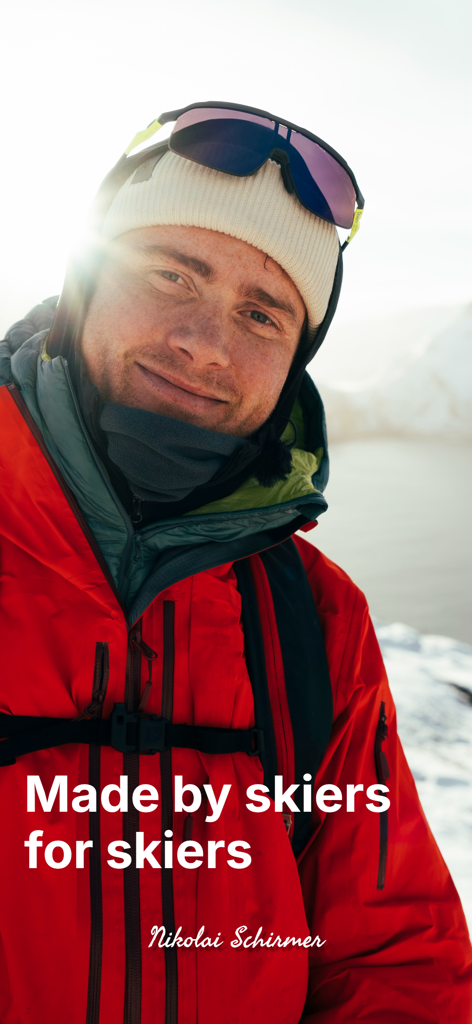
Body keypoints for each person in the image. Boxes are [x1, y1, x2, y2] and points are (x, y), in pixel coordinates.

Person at [0, 101, 470, 1024]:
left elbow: (393, 957)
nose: (205, 344)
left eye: (263, 314)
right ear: (83, 280)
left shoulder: (314, 620)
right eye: (170, 271)